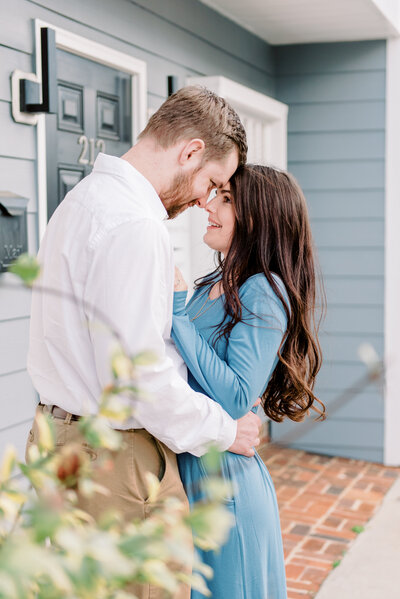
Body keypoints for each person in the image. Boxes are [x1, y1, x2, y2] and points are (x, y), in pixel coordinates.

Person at [26, 86, 262, 599]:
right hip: (116, 462)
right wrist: (224, 429)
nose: (206, 199)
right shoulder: (136, 225)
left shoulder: (79, 203)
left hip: (57, 437)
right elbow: (140, 379)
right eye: (212, 182)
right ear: (191, 151)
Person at [172, 164, 326, 599]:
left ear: (257, 217)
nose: (208, 206)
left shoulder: (264, 290)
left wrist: (177, 316)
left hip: (227, 488)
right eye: (213, 195)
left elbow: (238, 394)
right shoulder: (211, 286)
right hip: (192, 470)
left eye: (225, 200)